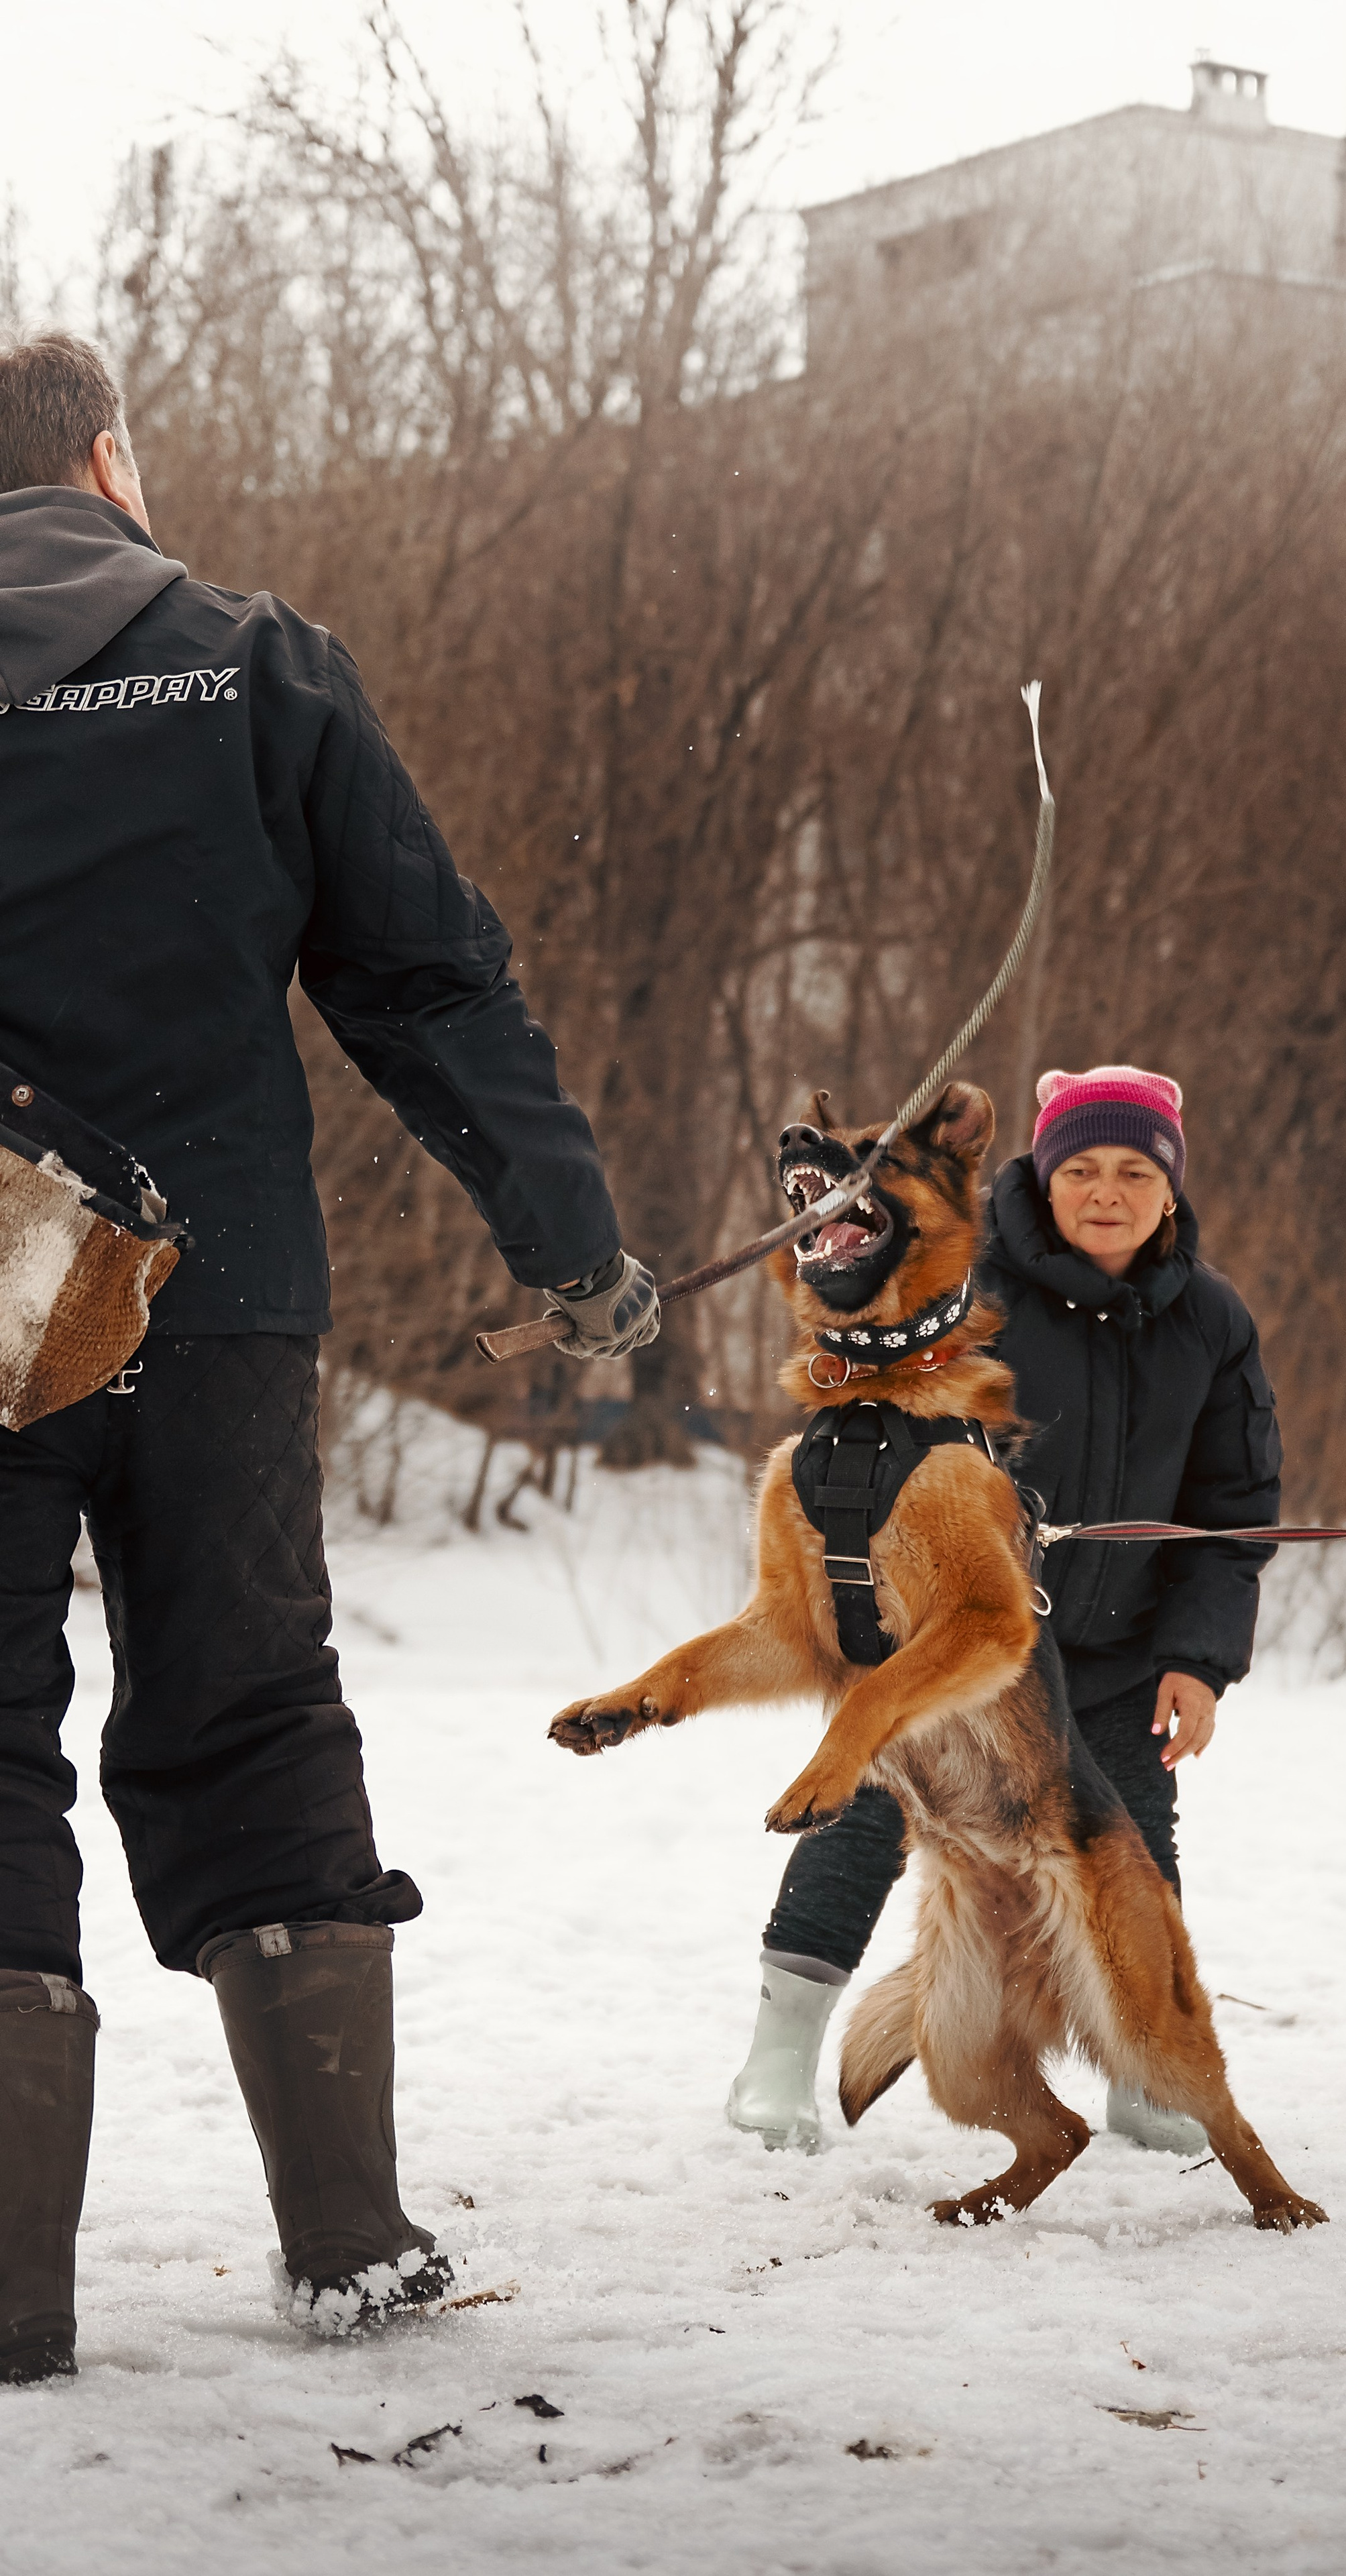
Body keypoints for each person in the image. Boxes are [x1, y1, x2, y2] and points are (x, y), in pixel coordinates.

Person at [0, 331, 659, 2381]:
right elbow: (428, 984)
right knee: (254, 1708)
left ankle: (9, 2301)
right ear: (112, 458)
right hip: (218, 1287)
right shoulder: (253, 659)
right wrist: (573, 1249)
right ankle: (349, 2239)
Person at [725, 1064, 1282, 2155]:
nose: (1108, 1192)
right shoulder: (964, 1275)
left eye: (1136, 1172)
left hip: (1116, 1658)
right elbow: (860, 1391)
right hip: (949, 1640)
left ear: (1171, 1187)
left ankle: (1146, 2073)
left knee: (1132, 1857)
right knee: (869, 1821)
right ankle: (778, 2056)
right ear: (1044, 1174)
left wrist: (1199, 1657)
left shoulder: (1212, 1318)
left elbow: (1233, 1506)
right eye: (1083, 1168)